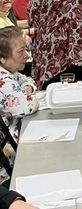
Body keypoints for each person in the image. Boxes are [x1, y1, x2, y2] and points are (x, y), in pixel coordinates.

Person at [0, 27, 39, 184]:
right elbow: (28, 106)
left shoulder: (10, 72)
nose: (26, 55)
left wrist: (27, 90)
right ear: (2, 57)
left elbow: (28, 80)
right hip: (7, 161)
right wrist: (28, 94)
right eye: (21, 51)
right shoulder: (3, 81)